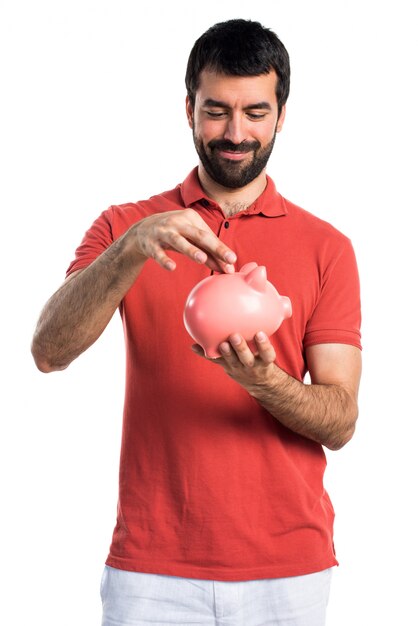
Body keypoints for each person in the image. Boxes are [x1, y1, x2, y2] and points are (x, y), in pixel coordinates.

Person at [31, 18, 362, 626]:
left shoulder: (327, 248)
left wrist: (266, 384)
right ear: (188, 109)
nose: (236, 133)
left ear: (281, 115)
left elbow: (340, 420)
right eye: (216, 111)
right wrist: (132, 248)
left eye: (256, 112)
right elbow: (48, 351)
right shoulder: (126, 227)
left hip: (289, 569)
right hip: (152, 570)